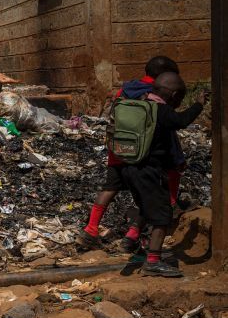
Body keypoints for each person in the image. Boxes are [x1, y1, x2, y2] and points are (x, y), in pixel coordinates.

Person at [77, 56, 183, 251]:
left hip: (119, 149)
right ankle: (132, 236)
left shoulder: (125, 90)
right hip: (145, 155)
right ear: (164, 76)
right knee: (150, 194)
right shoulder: (159, 93)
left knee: (109, 188)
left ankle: (90, 230)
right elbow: (164, 129)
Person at [117, 72, 204, 276]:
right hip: (149, 170)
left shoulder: (139, 104)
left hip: (129, 167)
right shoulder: (161, 110)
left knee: (147, 208)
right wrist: (199, 104)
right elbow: (182, 120)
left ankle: (133, 243)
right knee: (162, 215)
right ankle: (153, 261)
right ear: (173, 94)